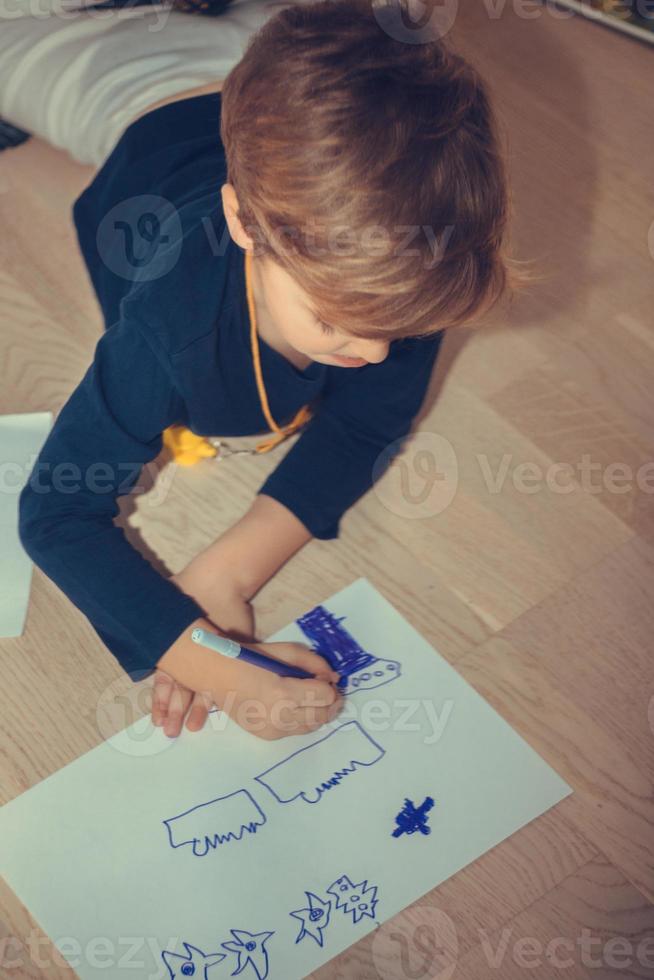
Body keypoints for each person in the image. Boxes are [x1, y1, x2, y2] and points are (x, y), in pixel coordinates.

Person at [15, 0, 529, 743]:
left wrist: (230, 571)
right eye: (334, 322)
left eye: (402, 331)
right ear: (243, 224)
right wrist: (214, 665)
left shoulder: (402, 264)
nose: (378, 354)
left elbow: (369, 422)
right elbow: (54, 516)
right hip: (124, 93)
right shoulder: (169, 323)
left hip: (251, 60)